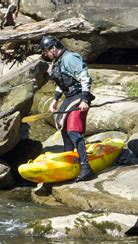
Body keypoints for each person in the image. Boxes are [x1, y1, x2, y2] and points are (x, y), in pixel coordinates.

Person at [40, 35, 95, 182]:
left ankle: (86, 167)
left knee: (73, 131)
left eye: (46, 51)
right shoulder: (57, 61)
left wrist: (84, 99)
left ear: (53, 48)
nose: (45, 55)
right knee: (63, 129)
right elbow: (62, 82)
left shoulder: (70, 58)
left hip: (79, 97)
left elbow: (84, 77)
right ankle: (69, 160)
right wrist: (55, 100)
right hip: (70, 97)